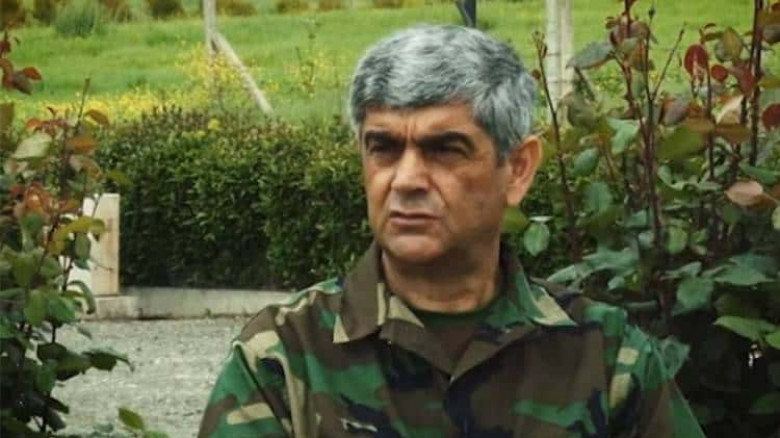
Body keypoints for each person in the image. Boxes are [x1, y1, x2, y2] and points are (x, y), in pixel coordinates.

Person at [198, 25, 705, 438]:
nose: (406, 179)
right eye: (383, 148)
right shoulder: (284, 359)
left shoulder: (606, 358)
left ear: (518, 169)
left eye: (445, 149)